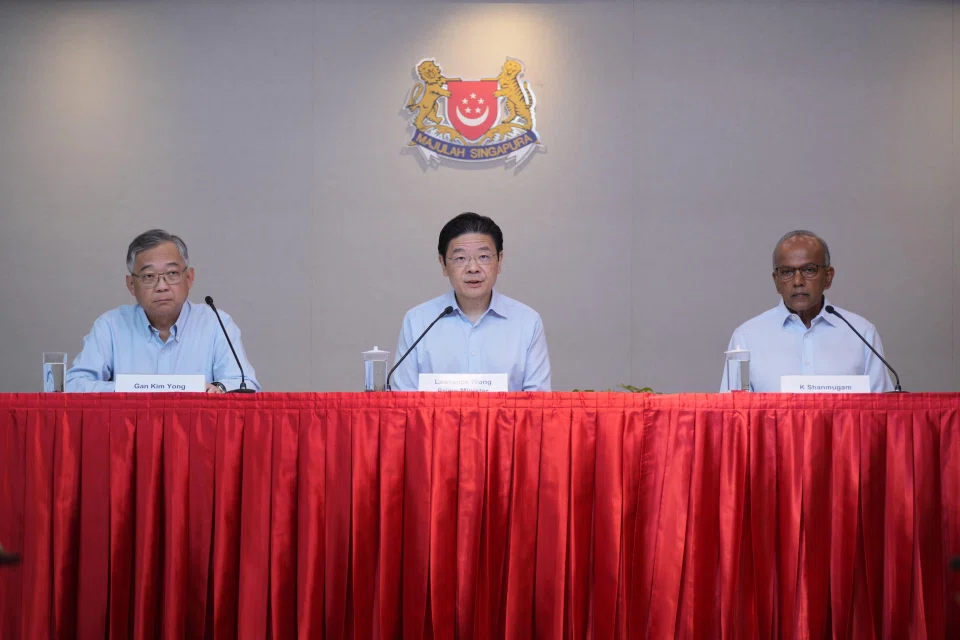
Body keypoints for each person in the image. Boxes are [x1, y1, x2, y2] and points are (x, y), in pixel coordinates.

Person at [66, 229, 260, 393]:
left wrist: (217, 389)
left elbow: (246, 384)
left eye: (172, 274)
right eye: (149, 276)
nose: (162, 286)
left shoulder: (216, 324)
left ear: (189, 278)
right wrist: (130, 390)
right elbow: (74, 384)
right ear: (131, 285)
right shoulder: (110, 326)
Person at [392, 212, 551, 391]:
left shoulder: (527, 322)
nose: (473, 268)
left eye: (483, 257)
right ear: (443, 264)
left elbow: (538, 404)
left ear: (499, 261)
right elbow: (402, 401)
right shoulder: (417, 321)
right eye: (460, 258)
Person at [721, 230, 893, 392]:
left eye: (809, 270)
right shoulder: (747, 337)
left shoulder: (862, 334)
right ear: (776, 281)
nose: (798, 281)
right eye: (787, 272)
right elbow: (732, 415)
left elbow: (884, 412)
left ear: (828, 277)